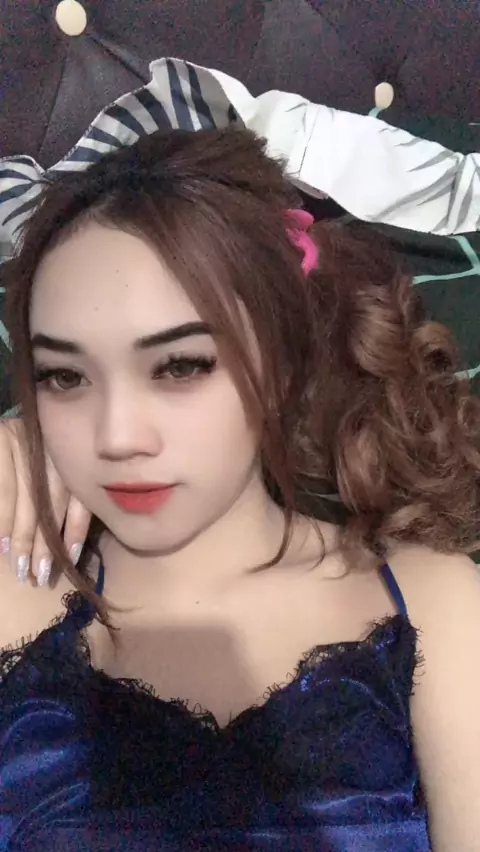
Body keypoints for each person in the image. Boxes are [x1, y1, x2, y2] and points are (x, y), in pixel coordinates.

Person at [0, 127, 479, 852]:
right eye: (65, 377)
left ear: (283, 363)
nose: (116, 435)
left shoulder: (432, 603)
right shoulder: (15, 594)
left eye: (181, 366)